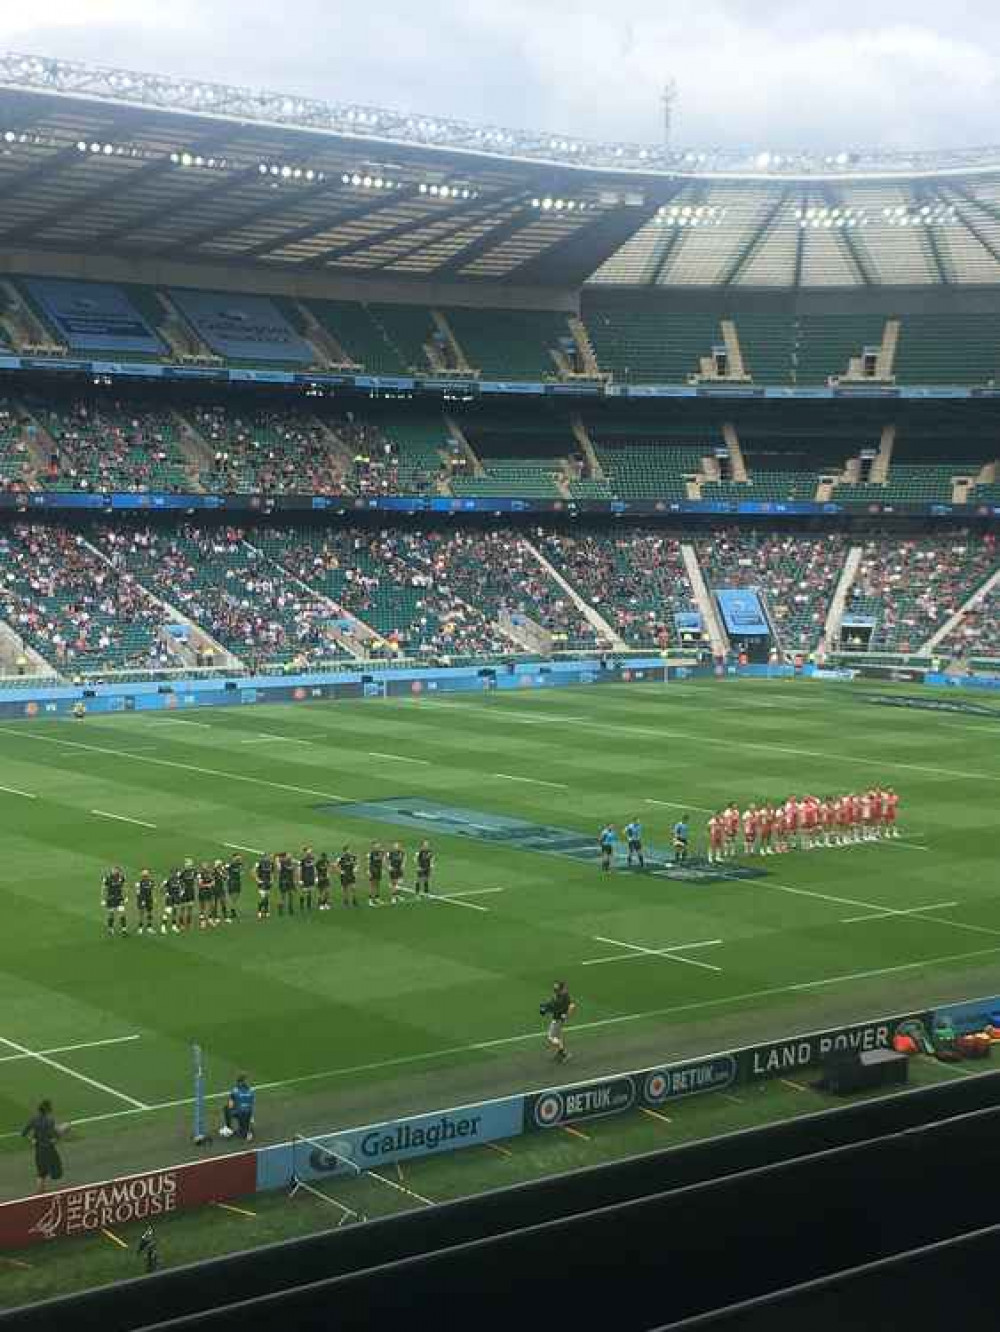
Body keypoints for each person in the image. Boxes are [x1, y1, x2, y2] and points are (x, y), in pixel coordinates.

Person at [21, 1100, 65, 1192]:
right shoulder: (50, 1121)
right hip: (49, 1149)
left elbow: (23, 1133)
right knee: (57, 1172)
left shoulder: (33, 1119)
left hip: (39, 1150)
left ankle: (40, 1194)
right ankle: (60, 1193)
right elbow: (56, 1135)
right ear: (48, 1109)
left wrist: (32, 1140)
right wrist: (64, 1129)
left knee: (41, 1174)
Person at [544, 981, 576, 1063]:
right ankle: (560, 1053)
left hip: (558, 1020)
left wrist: (566, 1015)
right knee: (558, 1037)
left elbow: (572, 1006)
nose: (555, 990)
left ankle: (564, 1053)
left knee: (550, 1038)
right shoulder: (561, 995)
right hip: (557, 1019)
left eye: (557, 989)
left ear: (560, 989)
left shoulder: (563, 997)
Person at [219, 1075, 255, 1141]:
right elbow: (251, 1104)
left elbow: (230, 1105)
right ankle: (246, 1130)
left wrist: (235, 1106)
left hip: (239, 1113)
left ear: (239, 1083)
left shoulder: (235, 1091)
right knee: (243, 1132)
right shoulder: (251, 1091)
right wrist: (251, 1117)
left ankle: (229, 1128)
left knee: (226, 1108)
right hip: (247, 1114)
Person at [102, 866, 128, 937]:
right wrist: (103, 899)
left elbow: (124, 887)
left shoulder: (121, 878)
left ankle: (124, 930)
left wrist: (126, 897)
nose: (115, 871)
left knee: (122, 913)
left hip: (119, 899)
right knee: (111, 914)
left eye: (116, 870)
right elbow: (104, 889)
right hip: (111, 898)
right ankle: (110, 929)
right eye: (114, 870)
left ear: (119, 871)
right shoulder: (107, 878)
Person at [135, 868, 156, 936]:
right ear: (142, 875)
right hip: (142, 899)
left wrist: (154, 897)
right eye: (144, 874)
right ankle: (140, 927)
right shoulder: (139, 883)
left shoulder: (151, 882)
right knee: (141, 913)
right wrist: (141, 900)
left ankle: (149, 927)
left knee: (149, 913)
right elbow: (138, 893)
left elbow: (153, 890)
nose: (145, 875)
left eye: (146, 873)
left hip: (149, 899)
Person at [161, 867, 182, 934]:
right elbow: (162, 887)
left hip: (176, 897)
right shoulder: (168, 880)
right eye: (175, 873)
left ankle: (174, 925)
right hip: (170, 898)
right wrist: (166, 893)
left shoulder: (179, 880)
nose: (176, 874)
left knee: (175, 911)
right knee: (168, 911)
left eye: (176, 873)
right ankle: (163, 926)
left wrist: (181, 893)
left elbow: (182, 887)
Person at [255, 852, 273, 920]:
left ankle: (266, 911)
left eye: (268, 857)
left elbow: (271, 872)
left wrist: (272, 879)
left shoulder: (270, 864)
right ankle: (259, 911)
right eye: (266, 857)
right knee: (263, 897)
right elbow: (253, 871)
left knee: (267, 896)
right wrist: (257, 879)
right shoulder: (259, 863)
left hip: (268, 882)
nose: (267, 858)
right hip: (262, 882)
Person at [277, 852, 296, 916]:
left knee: (290, 895)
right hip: (284, 881)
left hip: (288, 880)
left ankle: (290, 908)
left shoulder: (286, 862)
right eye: (288, 855)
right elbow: (289, 868)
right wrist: (293, 866)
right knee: (284, 896)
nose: (290, 856)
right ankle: (281, 909)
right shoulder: (282, 863)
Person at [298, 846, 316, 913]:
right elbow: (299, 870)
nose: (310, 852)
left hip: (311, 877)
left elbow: (314, 868)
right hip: (304, 878)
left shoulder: (312, 858)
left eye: (310, 851)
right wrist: (300, 879)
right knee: (303, 891)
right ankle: (302, 905)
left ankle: (308, 905)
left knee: (310, 891)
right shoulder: (302, 860)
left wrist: (315, 877)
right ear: (305, 852)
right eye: (308, 851)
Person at [226, 853, 242, 921]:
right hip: (232, 882)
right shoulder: (230, 865)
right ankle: (231, 911)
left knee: (236, 897)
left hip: (237, 882)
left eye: (239, 858)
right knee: (232, 897)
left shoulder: (239, 865)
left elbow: (240, 871)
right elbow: (224, 870)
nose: (239, 859)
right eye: (237, 858)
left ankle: (233, 910)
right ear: (233, 858)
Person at [368, 842, 385, 907]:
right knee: (372, 885)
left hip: (379, 870)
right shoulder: (372, 853)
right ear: (373, 846)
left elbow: (382, 861)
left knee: (378, 884)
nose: (378, 846)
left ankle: (377, 898)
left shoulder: (380, 852)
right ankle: (370, 900)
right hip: (373, 870)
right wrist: (369, 871)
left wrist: (382, 868)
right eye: (376, 845)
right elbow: (376, 859)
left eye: (378, 844)